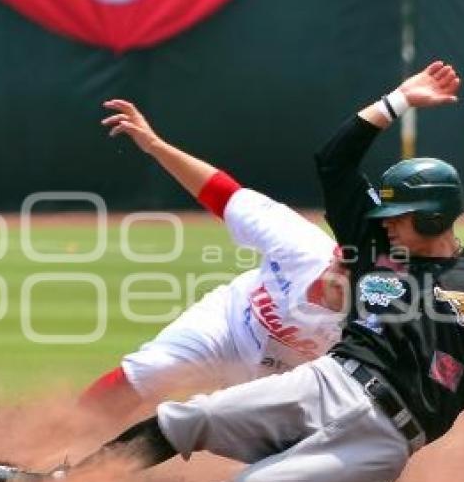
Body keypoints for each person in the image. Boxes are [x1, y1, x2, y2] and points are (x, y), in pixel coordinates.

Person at [0, 61, 464, 482]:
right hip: (327, 383)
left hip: (383, 442)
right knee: (186, 418)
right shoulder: (375, 247)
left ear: (435, 216)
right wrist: (397, 101)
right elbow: (333, 161)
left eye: (403, 214)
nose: (387, 222)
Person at [77, 100, 349, 418]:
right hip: (228, 325)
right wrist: (154, 145)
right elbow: (223, 195)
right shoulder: (299, 243)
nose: (340, 270)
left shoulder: (373, 315)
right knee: (154, 368)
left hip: (285, 380)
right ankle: (57, 440)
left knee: (296, 441)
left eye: (352, 270)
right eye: (342, 260)